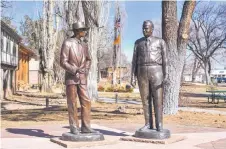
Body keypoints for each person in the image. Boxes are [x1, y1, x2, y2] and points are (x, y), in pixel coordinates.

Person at [131, 20, 168, 132]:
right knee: (145, 100)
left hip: (156, 71)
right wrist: (132, 76)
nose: (144, 30)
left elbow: (165, 59)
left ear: (152, 29)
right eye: (143, 28)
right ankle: (148, 124)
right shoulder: (138, 43)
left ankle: (159, 124)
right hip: (142, 72)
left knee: (158, 99)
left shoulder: (160, 42)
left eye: (146, 28)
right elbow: (134, 61)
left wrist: (166, 74)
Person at [60, 22, 96, 134]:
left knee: (86, 101)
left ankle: (86, 126)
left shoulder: (84, 44)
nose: (85, 32)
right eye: (83, 30)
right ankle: (74, 127)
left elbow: (89, 59)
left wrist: (86, 69)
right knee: (72, 102)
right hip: (71, 77)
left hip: (82, 77)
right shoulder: (67, 43)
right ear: (77, 31)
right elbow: (62, 62)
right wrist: (74, 69)